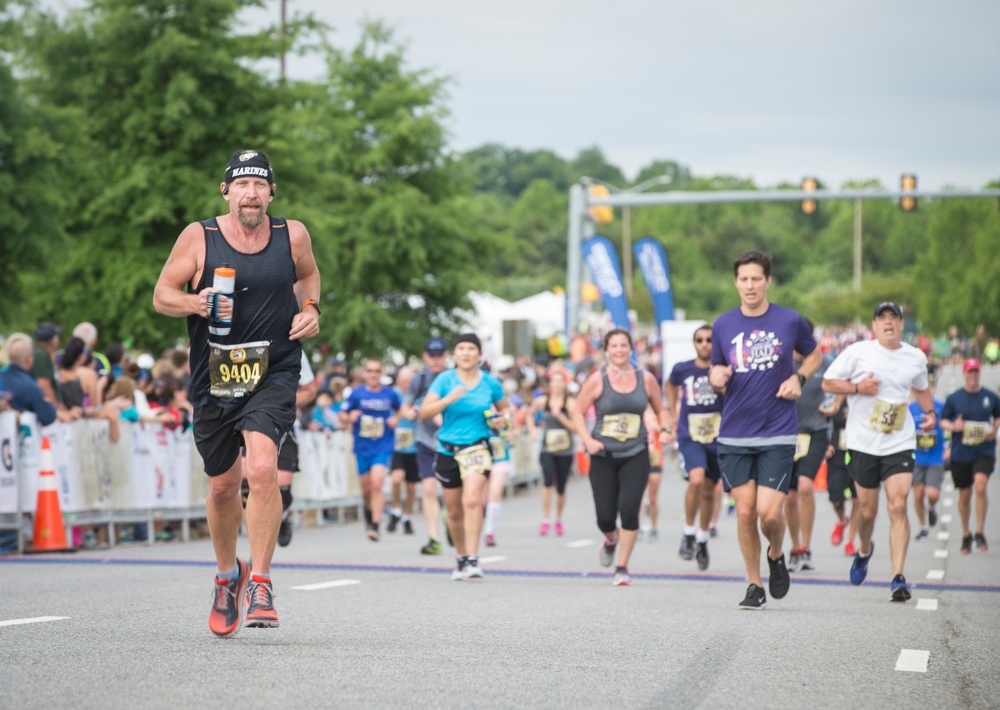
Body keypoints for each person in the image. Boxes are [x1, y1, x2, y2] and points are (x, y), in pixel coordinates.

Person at [153, 148, 321, 637]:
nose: (252, 193)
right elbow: (162, 295)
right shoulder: (199, 237)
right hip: (216, 377)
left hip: (273, 369)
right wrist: (195, 301)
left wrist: (310, 307)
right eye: (242, 184)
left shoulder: (293, 234)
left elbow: (309, 276)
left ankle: (262, 581)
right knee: (223, 486)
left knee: (264, 468)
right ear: (226, 191)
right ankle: (228, 575)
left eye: (260, 184)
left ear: (271, 191)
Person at [709, 251, 821, 609]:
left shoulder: (789, 321)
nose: (750, 285)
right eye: (744, 279)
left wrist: (798, 377)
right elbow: (715, 368)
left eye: (756, 278)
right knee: (745, 513)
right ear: (736, 282)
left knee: (770, 514)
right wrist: (716, 376)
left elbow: (815, 354)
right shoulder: (723, 324)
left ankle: (776, 553)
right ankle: (754, 584)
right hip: (735, 433)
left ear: (768, 281)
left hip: (777, 430)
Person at [822, 301, 936, 602]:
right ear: (874, 326)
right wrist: (859, 389)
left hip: (899, 441)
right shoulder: (858, 353)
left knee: (898, 505)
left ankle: (898, 576)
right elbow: (827, 381)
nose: (888, 323)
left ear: (901, 324)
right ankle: (864, 549)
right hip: (863, 443)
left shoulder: (915, 357)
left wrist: (931, 413)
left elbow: (922, 388)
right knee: (868, 510)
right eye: (882, 318)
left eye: (893, 318)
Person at [571, 328, 672, 587]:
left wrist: (666, 429)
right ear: (606, 350)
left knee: (629, 510)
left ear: (630, 348)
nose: (619, 350)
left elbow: (661, 409)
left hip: (636, 453)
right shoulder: (598, 379)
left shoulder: (645, 378)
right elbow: (577, 412)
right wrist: (587, 439)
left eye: (623, 346)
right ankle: (610, 539)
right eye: (614, 346)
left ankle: (622, 567)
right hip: (603, 455)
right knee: (605, 516)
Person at [420, 333, 510, 580]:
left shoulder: (490, 383)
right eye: (462, 348)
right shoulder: (444, 380)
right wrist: (449, 399)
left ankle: (472, 558)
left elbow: (507, 409)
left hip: (477, 448)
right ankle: (460, 557)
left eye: (472, 348)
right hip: (448, 448)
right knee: (454, 510)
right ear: (454, 354)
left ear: (479, 355)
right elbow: (425, 411)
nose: (467, 353)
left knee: (472, 501)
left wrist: (504, 420)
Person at [665, 325, 723, 571]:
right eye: (699, 340)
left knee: (710, 491)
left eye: (709, 340)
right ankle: (688, 531)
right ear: (694, 343)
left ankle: (702, 538)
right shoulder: (683, 369)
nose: (704, 344)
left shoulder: (722, 370)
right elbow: (670, 384)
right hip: (690, 435)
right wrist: (671, 410)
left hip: (718, 437)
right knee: (696, 481)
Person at [939, 358, 1000, 554]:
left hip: (983, 448)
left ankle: (980, 531)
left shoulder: (990, 397)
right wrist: (953, 426)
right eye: (969, 372)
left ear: (979, 374)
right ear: (964, 374)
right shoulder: (954, 398)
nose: (973, 376)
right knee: (965, 496)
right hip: (961, 451)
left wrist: (994, 429)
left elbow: (997, 417)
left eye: (976, 372)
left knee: (980, 485)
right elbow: (943, 422)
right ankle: (966, 533)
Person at [785, 340, 835, 573]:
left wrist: (833, 410)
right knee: (789, 496)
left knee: (806, 487)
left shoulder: (826, 363)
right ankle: (795, 548)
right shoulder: (783, 364)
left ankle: (806, 546)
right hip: (787, 433)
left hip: (816, 431)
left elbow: (839, 390)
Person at [340, 359, 401, 541]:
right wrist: (349, 416)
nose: (373, 374)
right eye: (370, 371)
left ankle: (375, 524)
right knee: (366, 490)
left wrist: (396, 418)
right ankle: (369, 511)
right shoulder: (356, 394)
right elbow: (342, 414)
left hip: (382, 445)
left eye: (376, 371)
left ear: (381, 373)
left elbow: (401, 410)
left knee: (377, 483)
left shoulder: (390, 394)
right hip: (362, 447)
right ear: (364, 374)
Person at [399, 338, 450, 555]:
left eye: (440, 355)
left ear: (446, 355)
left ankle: (451, 518)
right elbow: (405, 406)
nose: (436, 359)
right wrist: (409, 413)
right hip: (425, 440)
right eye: (432, 355)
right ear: (425, 356)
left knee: (451, 491)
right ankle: (433, 537)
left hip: (450, 440)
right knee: (428, 488)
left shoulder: (452, 378)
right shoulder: (419, 379)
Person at [529, 369, 577, 537]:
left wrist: (561, 417)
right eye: (554, 381)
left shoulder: (570, 403)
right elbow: (529, 415)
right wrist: (533, 430)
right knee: (547, 481)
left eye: (560, 381)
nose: (556, 385)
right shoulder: (542, 401)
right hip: (547, 448)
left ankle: (558, 519)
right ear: (549, 384)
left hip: (565, 450)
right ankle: (546, 519)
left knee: (561, 486)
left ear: (565, 384)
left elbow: (576, 428)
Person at [909, 387, 946, 543]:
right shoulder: (910, 408)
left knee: (932, 494)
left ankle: (931, 507)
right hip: (916, 458)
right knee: (917, 494)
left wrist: (948, 447)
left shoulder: (940, 406)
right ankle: (923, 527)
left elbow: (948, 425)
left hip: (935, 457)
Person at [0, 333, 59, 428]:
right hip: (21, 439)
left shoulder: (2, 376)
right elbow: (48, 417)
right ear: (28, 359)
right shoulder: (29, 384)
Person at [386, 365, 418, 535]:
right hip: (397, 445)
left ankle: (407, 516)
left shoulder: (418, 396)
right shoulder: (394, 395)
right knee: (396, 479)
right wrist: (394, 419)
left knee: (411, 487)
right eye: (403, 381)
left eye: (409, 381)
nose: (406, 384)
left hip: (414, 446)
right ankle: (395, 509)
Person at [30, 322, 61, 405]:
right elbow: (44, 386)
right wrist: (58, 411)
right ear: (53, 340)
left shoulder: (39, 353)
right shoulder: (41, 355)